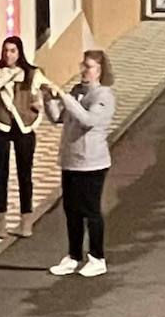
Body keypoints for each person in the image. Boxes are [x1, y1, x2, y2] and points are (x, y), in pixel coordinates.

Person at [44, 51, 116, 278]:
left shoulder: (103, 96)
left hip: (92, 163)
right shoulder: (77, 91)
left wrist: (65, 97)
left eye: (89, 66)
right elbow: (58, 117)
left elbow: (88, 120)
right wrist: (48, 98)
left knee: (90, 210)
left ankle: (97, 257)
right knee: (71, 210)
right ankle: (73, 255)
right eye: (83, 65)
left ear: (100, 70)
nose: (84, 70)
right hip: (71, 161)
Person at [0, 36, 46, 238]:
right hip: (0, 125)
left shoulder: (31, 74)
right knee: (0, 174)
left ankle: (26, 221)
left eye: (12, 51)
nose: (8, 55)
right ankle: (0, 222)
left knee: (25, 174)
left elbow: (41, 94)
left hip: (24, 126)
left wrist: (38, 105)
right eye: (6, 51)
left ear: (19, 52)